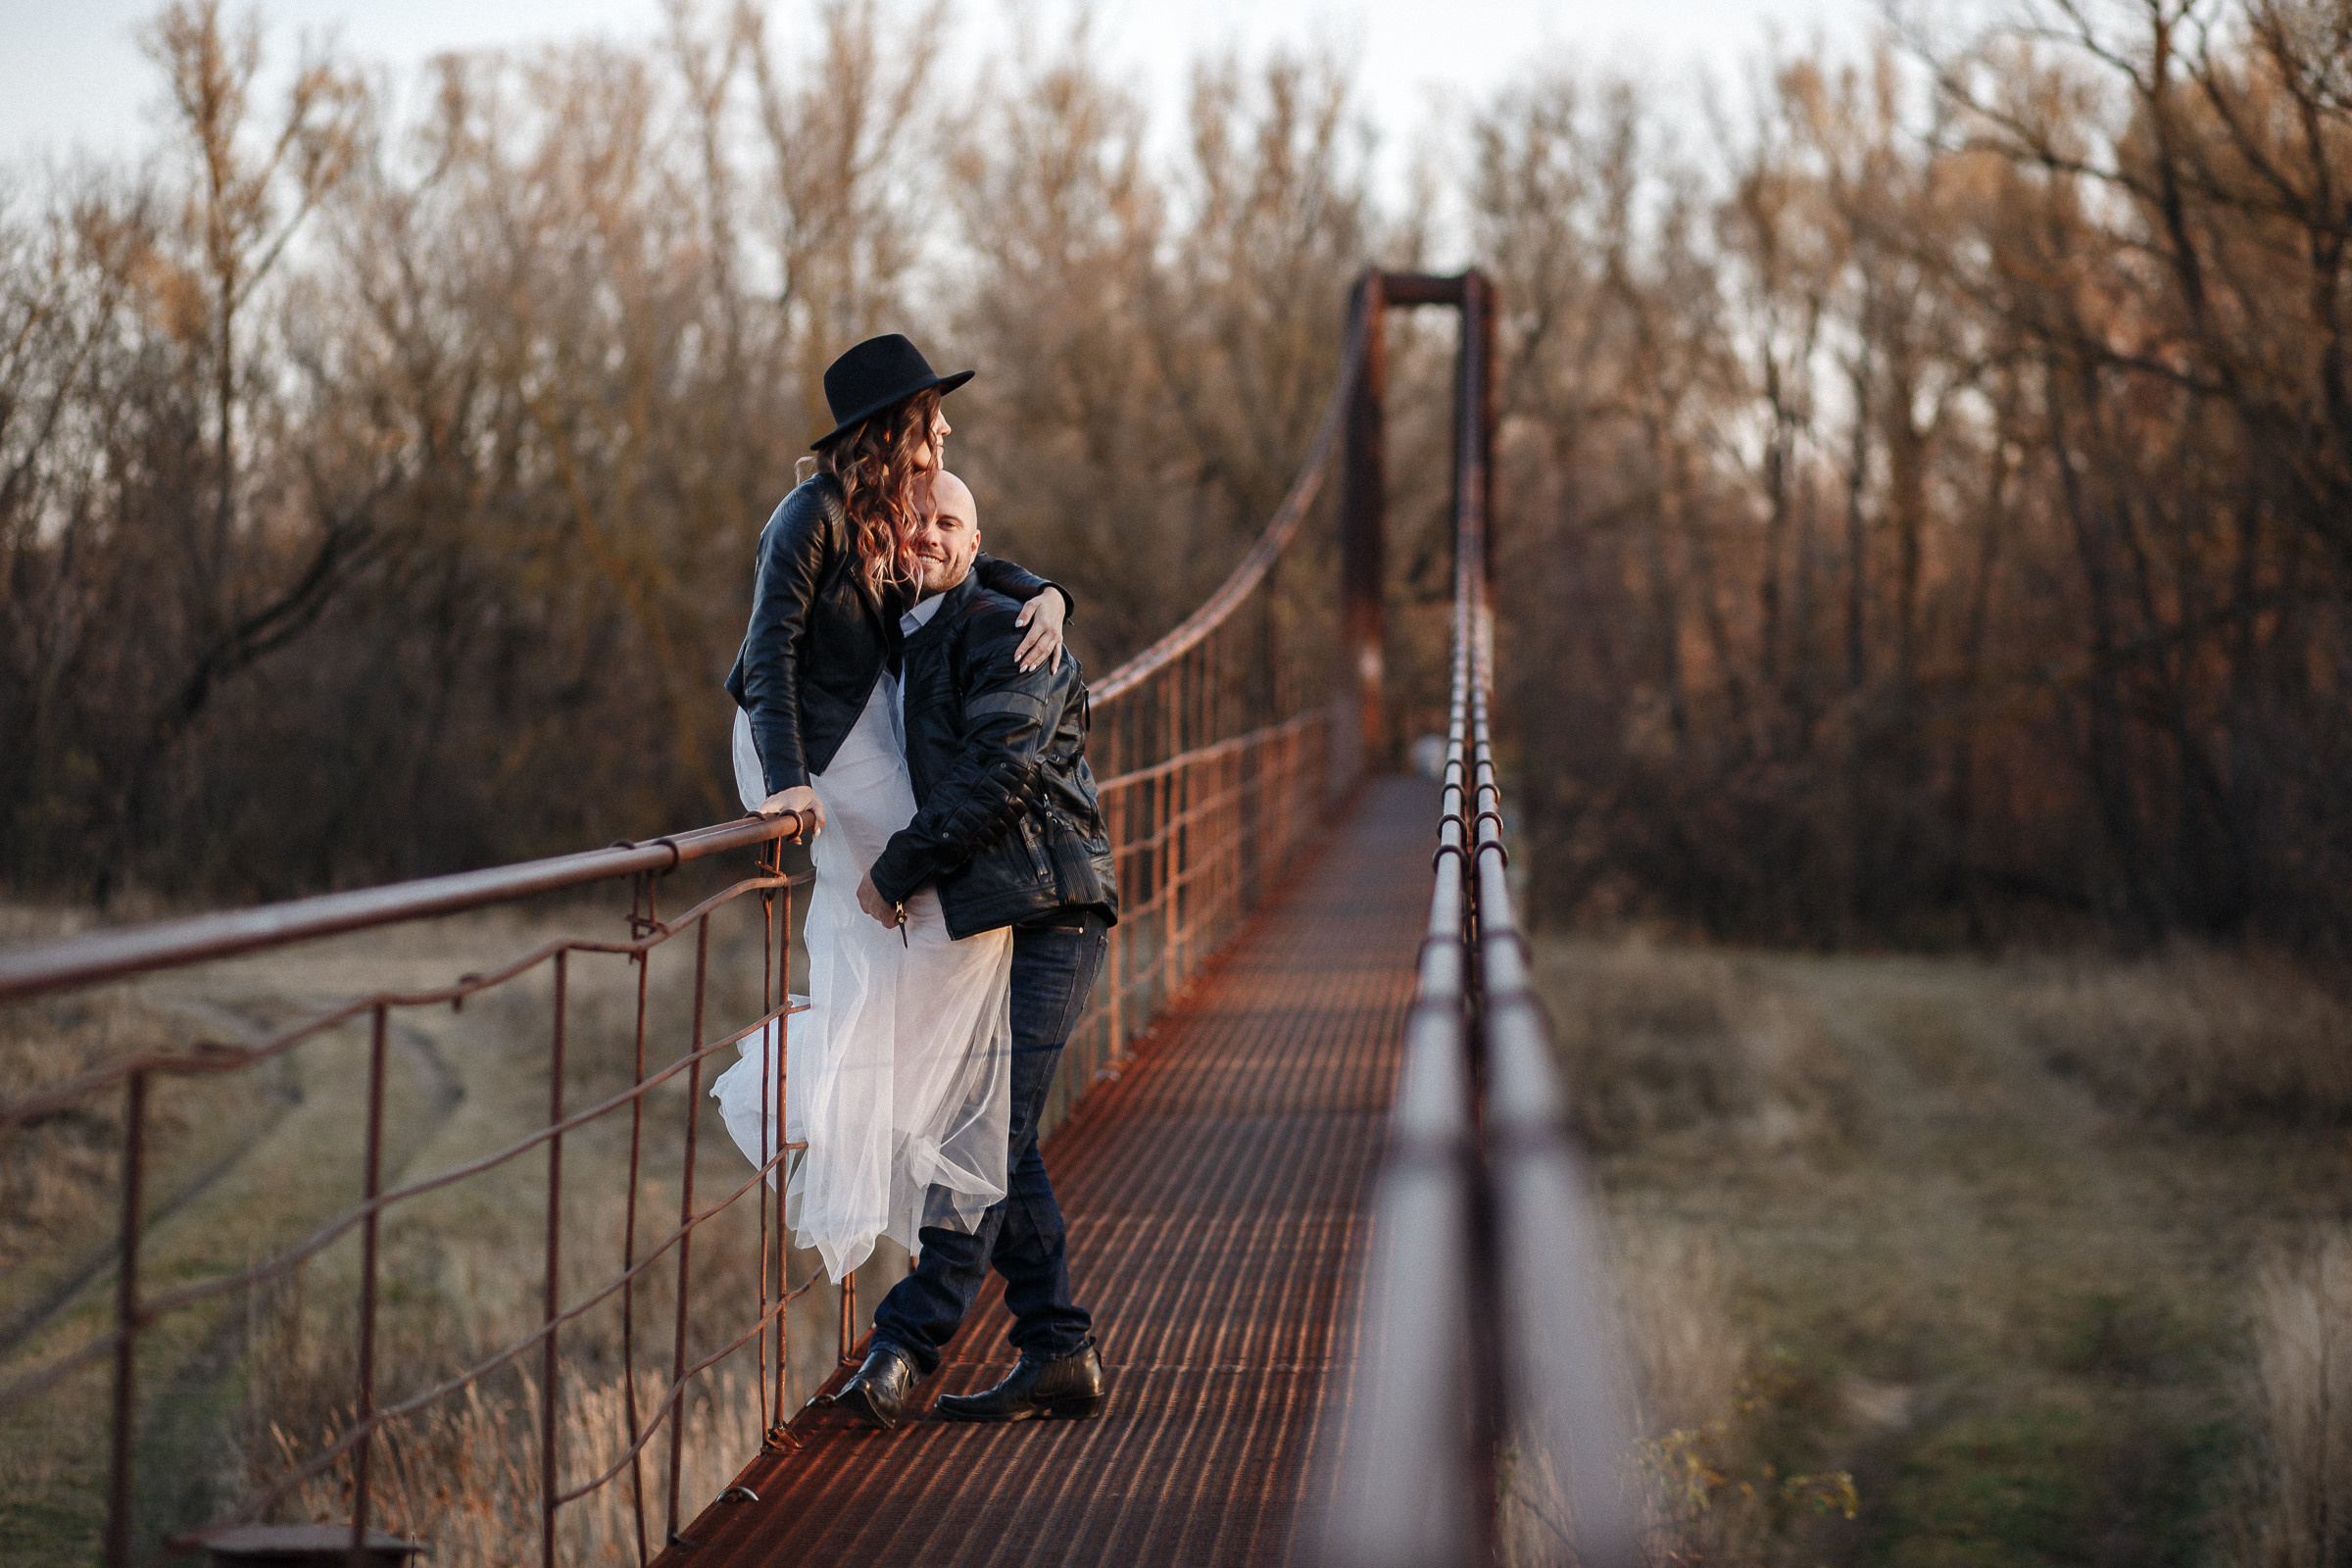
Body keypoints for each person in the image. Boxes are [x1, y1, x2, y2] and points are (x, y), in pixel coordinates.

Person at [710, 335, 1072, 1283]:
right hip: (800, 741)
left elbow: (960, 555)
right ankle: (867, 1093)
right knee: (925, 898)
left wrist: (1047, 594)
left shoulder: (881, 506)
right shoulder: (809, 513)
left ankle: (904, 1089)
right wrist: (789, 779)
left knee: (929, 913)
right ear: (892, 427)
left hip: (853, 727)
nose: (946, 427)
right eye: (931, 413)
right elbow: (770, 654)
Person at [826, 469, 1119, 1430]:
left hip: (1050, 912)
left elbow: (1000, 770)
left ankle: (904, 1346)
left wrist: (896, 870)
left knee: (976, 1129)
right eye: (915, 524)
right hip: (993, 914)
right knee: (999, 1127)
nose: (931, 538)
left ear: (976, 536)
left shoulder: (1007, 628)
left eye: (951, 524)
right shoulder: (910, 626)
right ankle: (1058, 1348)